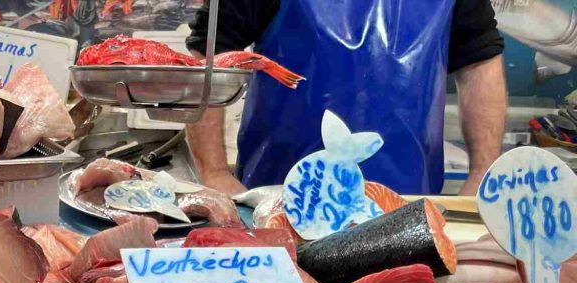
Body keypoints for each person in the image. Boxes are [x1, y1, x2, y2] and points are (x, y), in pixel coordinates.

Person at [185, 0, 508, 196]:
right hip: (278, 196)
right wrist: (213, 171)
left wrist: (483, 173)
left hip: (408, 201)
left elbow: (480, 64)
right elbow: (210, 55)